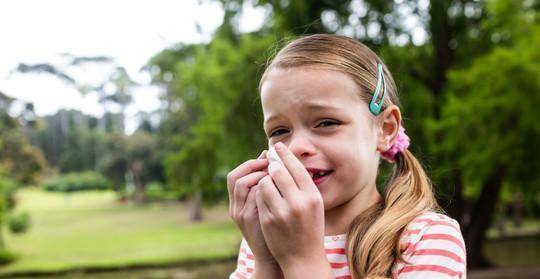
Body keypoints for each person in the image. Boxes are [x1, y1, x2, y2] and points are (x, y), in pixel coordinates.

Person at [227, 34, 466, 279]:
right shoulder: (263, 242)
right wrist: (267, 262)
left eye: (326, 122)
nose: (296, 147)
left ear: (385, 129)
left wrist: (302, 260)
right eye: (279, 131)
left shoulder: (425, 238)